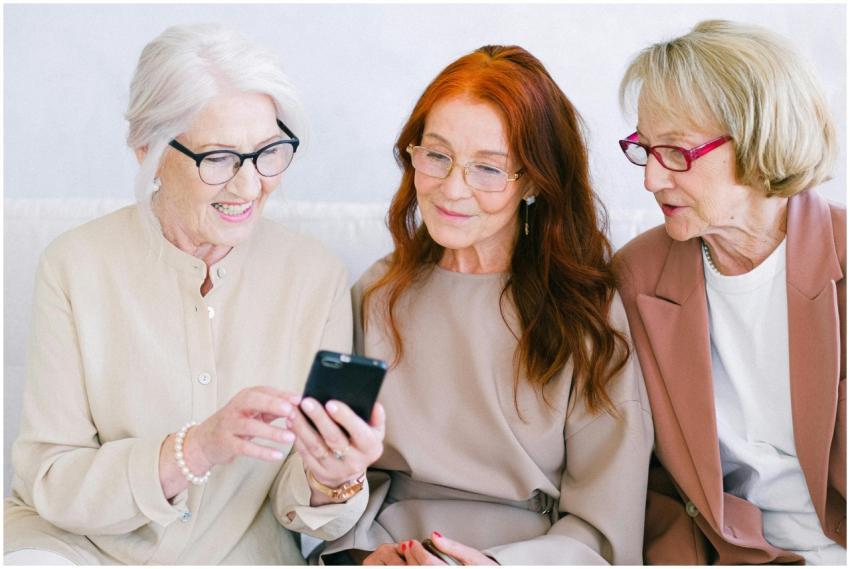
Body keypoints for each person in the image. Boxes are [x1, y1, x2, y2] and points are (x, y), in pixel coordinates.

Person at [3, 23, 384, 565]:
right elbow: (52, 478)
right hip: (79, 550)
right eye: (218, 158)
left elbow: (297, 507)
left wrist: (334, 476)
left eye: (268, 151)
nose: (249, 186)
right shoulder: (74, 265)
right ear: (148, 150)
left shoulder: (314, 276)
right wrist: (196, 448)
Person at [320, 45, 653, 565]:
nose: (453, 189)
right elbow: (335, 475)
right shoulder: (377, 293)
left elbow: (606, 525)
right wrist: (361, 558)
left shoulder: (585, 311)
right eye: (437, 156)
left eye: (488, 169)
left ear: (535, 181)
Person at [613, 19, 845, 565]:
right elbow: (646, 478)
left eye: (676, 151)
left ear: (761, 138)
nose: (651, 179)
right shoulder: (636, 278)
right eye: (644, 149)